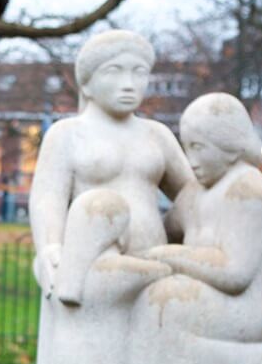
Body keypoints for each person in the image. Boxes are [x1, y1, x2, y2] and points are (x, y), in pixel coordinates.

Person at [130, 92, 262, 364]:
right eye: (187, 147)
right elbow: (164, 232)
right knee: (147, 291)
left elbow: (235, 272)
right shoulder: (195, 192)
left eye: (199, 147)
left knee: (167, 298)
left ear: (229, 144)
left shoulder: (250, 191)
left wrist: (171, 255)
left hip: (243, 308)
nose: (190, 160)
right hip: (202, 294)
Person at [29, 29, 193, 303]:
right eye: (113, 72)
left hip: (151, 260)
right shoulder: (67, 133)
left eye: (139, 72)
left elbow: (193, 196)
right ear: (87, 84)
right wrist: (50, 246)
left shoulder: (157, 134)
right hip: (93, 264)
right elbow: (48, 197)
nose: (128, 84)